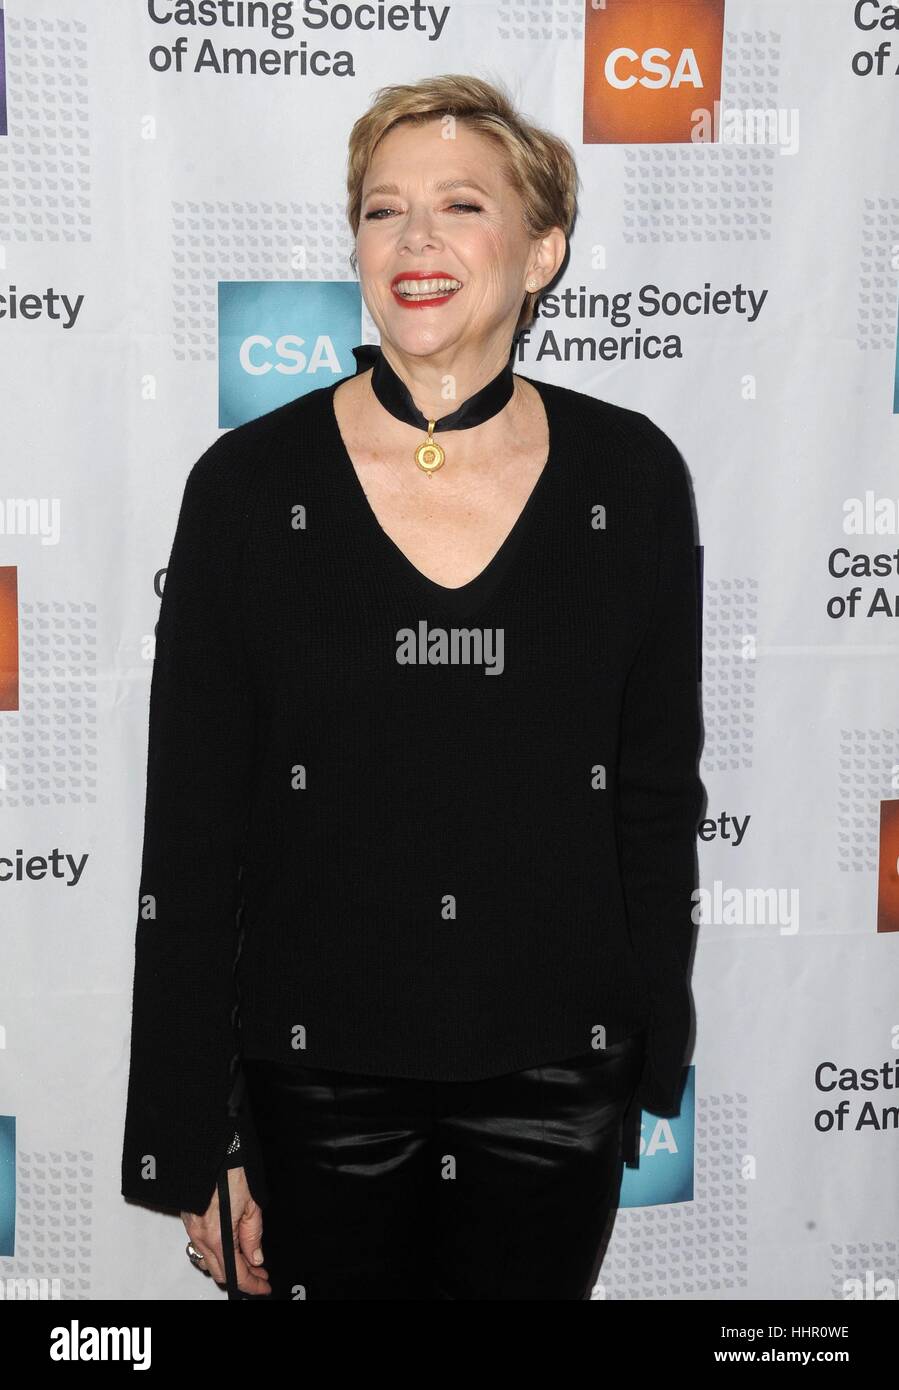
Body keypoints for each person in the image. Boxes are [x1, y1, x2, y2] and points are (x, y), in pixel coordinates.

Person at [121, 73, 705, 1300]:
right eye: (383, 211)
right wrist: (197, 1135)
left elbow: (652, 799)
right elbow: (191, 834)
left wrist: (643, 1056)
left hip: (557, 1085)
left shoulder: (633, 480)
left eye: (458, 204)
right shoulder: (244, 489)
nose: (416, 241)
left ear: (541, 249)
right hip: (309, 1084)